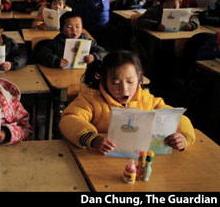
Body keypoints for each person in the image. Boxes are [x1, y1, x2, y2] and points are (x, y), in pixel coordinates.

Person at [59, 50, 195, 154]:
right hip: (100, 159)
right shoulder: (91, 99)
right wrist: (93, 139)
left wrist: (183, 137)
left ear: (139, 77)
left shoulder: (146, 99)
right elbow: (69, 119)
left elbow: (177, 118)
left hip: (138, 162)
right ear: (104, 80)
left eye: (130, 82)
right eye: (115, 83)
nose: (124, 89)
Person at [33, 11, 107, 68]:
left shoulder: (87, 41)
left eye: (77, 26)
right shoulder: (57, 41)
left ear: (82, 28)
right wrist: (56, 61)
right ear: (61, 30)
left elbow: (103, 52)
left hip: (81, 74)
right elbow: (41, 54)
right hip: (61, 74)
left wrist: (94, 57)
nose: (74, 30)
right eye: (69, 27)